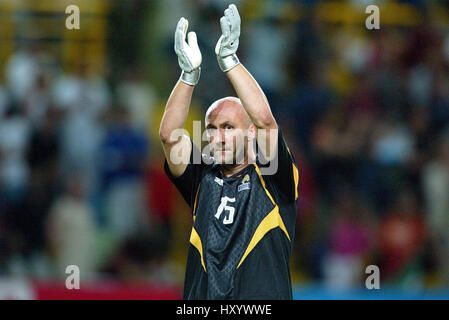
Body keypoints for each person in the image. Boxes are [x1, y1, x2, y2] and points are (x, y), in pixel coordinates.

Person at [159, 4, 299, 300]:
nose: (217, 137)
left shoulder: (273, 177)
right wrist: (187, 77)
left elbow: (264, 119)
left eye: (227, 127)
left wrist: (229, 61)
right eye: (211, 129)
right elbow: (169, 137)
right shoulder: (201, 177)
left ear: (249, 133)